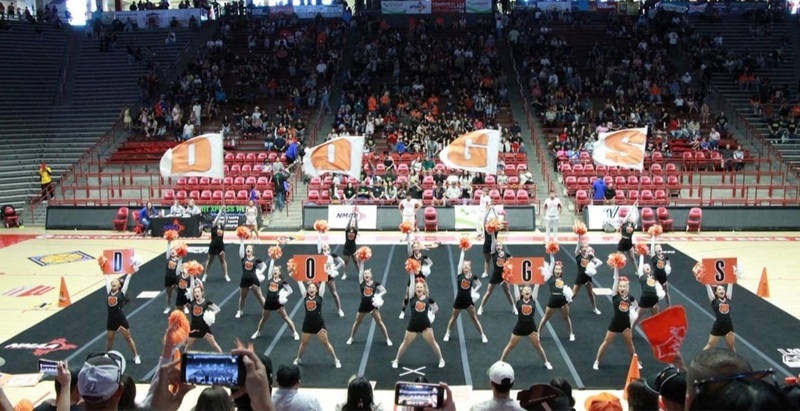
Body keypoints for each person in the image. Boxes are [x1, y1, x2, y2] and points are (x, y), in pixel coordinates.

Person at [392, 279, 445, 369]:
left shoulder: (429, 299)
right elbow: (412, 282)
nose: (419, 288)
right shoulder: (412, 297)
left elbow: (436, 308)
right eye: (417, 287)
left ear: (424, 289)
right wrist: (412, 272)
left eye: (420, 287)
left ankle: (441, 359)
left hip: (425, 325)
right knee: (405, 343)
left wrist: (431, 313)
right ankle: (396, 360)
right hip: (413, 325)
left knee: (433, 342)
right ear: (415, 289)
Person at [593, 270, 639, 370]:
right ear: (617, 288)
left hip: (626, 324)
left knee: (629, 343)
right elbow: (615, 279)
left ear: (627, 287)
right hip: (615, 323)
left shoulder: (630, 298)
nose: (622, 288)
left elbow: (636, 306)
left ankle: (635, 362)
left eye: (624, 286)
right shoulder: (615, 296)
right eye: (620, 286)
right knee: (606, 342)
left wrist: (632, 313)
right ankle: (597, 361)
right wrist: (616, 268)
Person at [499, 283, 553, 369]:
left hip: (531, 327)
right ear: (521, 293)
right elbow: (515, 285)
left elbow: (537, 285)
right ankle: (500, 361)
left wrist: (539, 277)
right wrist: (514, 277)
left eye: (529, 290)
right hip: (520, 327)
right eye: (525, 290)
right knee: (510, 345)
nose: (527, 291)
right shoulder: (518, 300)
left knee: (538, 346)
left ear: (531, 293)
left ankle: (546, 362)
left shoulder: (533, 300)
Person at [443, 242, 487, 343]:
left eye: (467, 265)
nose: (465, 266)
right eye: (464, 265)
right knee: (453, 317)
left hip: (468, 301)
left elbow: (479, 284)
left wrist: (473, 291)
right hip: (459, 300)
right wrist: (463, 250)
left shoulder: (473, 277)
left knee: (474, 319)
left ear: (470, 267)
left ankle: (482, 335)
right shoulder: (459, 274)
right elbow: (460, 262)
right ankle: (447, 333)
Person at [293, 282, 342, 368]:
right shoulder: (305, 296)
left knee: (326, 343)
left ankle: (336, 359)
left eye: (313, 288)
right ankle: (298, 358)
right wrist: (297, 276)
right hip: (307, 324)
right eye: (310, 288)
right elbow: (300, 283)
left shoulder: (320, 297)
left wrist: (324, 273)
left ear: (316, 290)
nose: (311, 289)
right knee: (304, 343)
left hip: (319, 324)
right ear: (307, 290)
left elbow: (323, 281)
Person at [252, 257, 300, 341]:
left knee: (286, 318)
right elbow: (270, 266)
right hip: (268, 302)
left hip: (278, 303)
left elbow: (290, 290)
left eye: (276, 270)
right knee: (263, 318)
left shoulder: (283, 281)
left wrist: (284, 296)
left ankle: (295, 332)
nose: (274, 271)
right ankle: (258, 332)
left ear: (279, 272)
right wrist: (273, 258)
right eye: (274, 270)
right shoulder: (270, 278)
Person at [103, 269, 141, 364]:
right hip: (111, 319)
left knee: (128, 338)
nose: (113, 283)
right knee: (110, 339)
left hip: (120, 319)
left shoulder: (122, 292)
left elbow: (127, 279)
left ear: (119, 285)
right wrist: (104, 267)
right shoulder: (109, 291)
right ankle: (107, 355)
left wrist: (131, 271)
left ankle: (136, 356)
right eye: (113, 282)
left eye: (115, 282)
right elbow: (107, 278)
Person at [347, 267, 392, 346]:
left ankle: (387, 338)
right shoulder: (362, 282)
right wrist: (362, 260)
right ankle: (351, 337)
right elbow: (360, 270)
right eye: (365, 273)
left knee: (380, 323)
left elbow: (384, 291)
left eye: (368, 273)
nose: (366, 275)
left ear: (371, 275)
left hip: (372, 306)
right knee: (357, 322)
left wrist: (378, 295)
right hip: (363, 306)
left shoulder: (375, 283)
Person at [537, 251, 575, 341]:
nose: (557, 271)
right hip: (553, 300)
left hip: (562, 301)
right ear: (553, 270)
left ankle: (571, 334)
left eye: (559, 269)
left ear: (561, 271)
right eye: (556, 269)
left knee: (566, 317)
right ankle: (538, 333)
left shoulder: (562, 278)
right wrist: (551, 253)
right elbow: (552, 262)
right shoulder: (550, 277)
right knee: (546, 317)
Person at [477, 241, 517, 316]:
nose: (498, 247)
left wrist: (509, 267)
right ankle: (480, 307)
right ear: (495, 247)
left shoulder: (506, 254)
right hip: (495, 276)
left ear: (502, 247)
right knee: (488, 292)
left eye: (500, 245)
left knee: (508, 293)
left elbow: (513, 261)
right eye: (497, 246)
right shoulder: (493, 254)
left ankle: (514, 307)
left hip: (503, 277)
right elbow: (492, 241)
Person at [400, 239, 436, 318]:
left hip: (421, 279)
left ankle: (427, 311)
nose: (416, 248)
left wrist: (426, 267)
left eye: (417, 247)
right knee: (407, 295)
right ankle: (403, 311)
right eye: (414, 247)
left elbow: (431, 263)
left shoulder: (424, 257)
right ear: (413, 248)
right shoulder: (411, 256)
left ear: (419, 248)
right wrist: (409, 238)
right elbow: (408, 248)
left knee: (425, 295)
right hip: (412, 278)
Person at [183, 286, 223, 353]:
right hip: (194, 327)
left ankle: (222, 358)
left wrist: (211, 315)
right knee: (188, 346)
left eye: (198, 292)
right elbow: (192, 283)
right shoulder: (192, 301)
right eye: (195, 292)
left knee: (214, 345)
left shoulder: (206, 302)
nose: (196, 293)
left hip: (204, 327)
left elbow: (218, 309)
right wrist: (192, 276)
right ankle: (183, 361)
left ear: (202, 293)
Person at [570, 236, 603, 316]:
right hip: (580, 277)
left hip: (588, 278)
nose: (585, 248)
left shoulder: (590, 256)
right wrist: (579, 236)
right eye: (583, 247)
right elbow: (577, 246)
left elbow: (600, 262)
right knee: (573, 294)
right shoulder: (578, 255)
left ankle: (595, 308)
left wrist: (593, 267)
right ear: (580, 249)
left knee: (590, 293)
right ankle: (566, 306)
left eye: (586, 247)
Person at [235, 238, 267, 318]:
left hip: (254, 280)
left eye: (249, 248)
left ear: (252, 251)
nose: (247, 249)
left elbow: (264, 265)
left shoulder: (256, 260)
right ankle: (240, 311)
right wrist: (242, 241)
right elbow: (241, 249)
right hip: (244, 280)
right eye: (247, 248)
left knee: (260, 296)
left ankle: (266, 310)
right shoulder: (243, 258)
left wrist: (260, 272)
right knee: (242, 297)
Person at [703, 282, 736, 351]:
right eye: (719, 289)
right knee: (709, 346)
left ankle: (734, 361)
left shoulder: (728, 298)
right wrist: (706, 281)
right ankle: (699, 360)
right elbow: (707, 286)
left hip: (728, 326)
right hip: (718, 326)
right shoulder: (713, 300)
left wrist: (733, 274)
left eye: (723, 289)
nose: (722, 291)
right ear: (715, 293)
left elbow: (730, 283)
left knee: (731, 347)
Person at [634, 253, 664, 324]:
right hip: (645, 298)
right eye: (645, 266)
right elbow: (641, 264)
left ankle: (657, 331)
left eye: (648, 266)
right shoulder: (641, 276)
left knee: (656, 316)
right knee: (637, 317)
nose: (647, 266)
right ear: (642, 269)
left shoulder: (653, 276)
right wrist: (641, 253)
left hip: (653, 298)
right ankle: (630, 330)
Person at [318, 240, 345, 317]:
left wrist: (335, 269)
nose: (324, 246)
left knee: (334, 293)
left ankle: (339, 309)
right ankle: (318, 311)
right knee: (320, 294)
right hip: (321, 277)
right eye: (323, 245)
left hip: (330, 277)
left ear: (328, 246)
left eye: (325, 244)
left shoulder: (332, 254)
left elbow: (342, 262)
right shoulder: (319, 255)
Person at [202, 210, 230, 282]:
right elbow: (217, 218)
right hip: (213, 246)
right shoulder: (213, 226)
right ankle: (205, 275)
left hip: (220, 246)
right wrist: (221, 210)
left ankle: (226, 275)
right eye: (216, 220)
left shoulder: (222, 227)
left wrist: (225, 212)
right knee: (209, 261)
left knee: (223, 260)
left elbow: (226, 219)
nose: (218, 220)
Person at [480, 196, 499, 279]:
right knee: (487, 260)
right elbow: (484, 219)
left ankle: (496, 273)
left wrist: (494, 209)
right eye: (489, 220)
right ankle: (485, 272)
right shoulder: (486, 227)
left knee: (496, 260)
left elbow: (497, 218)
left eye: (492, 220)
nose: (490, 221)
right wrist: (488, 210)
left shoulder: (496, 228)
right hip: (487, 244)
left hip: (495, 245)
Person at [162, 240, 183, 314]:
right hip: (168, 279)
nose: (172, 252)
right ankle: (168, 307)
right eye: (171, 251)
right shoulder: (168, 258)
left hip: (176, 279)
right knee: (168, 294)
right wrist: (169, 242)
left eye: (174, 251)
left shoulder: (179, 260)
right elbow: (168, 249)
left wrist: (181, 255)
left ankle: (184, 306)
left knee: (181, 293)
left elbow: (178, 271)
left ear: (177, 253)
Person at [650, 242, 672, 306]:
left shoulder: (664, 258)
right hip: (656, 278)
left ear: (661, 249)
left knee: (666, 293)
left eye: (659, 247)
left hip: (663, 278)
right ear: (655, 251)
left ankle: (669, 307)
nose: (659, 248)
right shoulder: (654, 257)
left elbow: (668, 268)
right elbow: (652, 246)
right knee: (656, 293)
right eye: (657, 248)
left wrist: (668, 262)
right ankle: (654, 306)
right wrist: (653, 237)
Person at [341, 213, 359, 280]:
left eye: (353, 223)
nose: (352, 224)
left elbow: (357, 225)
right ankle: (345, 274)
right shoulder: (347, 230)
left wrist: (356, 218)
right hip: (346, 247)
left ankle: (360, 273)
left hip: (353, 247)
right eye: (352, 223)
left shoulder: (355, 230)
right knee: (346, 262)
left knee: (356, 261)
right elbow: (348, 224)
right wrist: (351, 217)